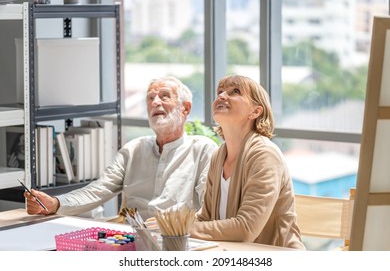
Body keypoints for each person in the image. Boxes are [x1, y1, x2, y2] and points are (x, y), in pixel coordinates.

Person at [24, 76, 218, 220]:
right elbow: (99, 189)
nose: (155, 102)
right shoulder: (133, 149)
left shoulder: (202, 149)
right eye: (150, 98)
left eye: (164, 96)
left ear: (186, 108)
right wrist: (56, 203)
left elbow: (210, 205)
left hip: (177, 240)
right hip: (130, 238)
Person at [190, 75, 305, 249]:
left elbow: (245, 229)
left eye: (235, 91)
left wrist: (182, 228)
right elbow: (206, 218)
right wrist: (168, 225)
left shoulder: (264, 154)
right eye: (220, 92)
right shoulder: (218, 155)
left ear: (255, 111)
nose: (221, 96)